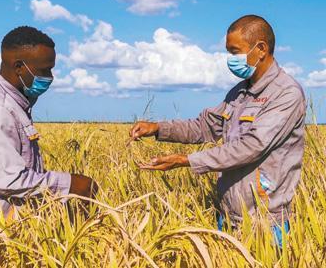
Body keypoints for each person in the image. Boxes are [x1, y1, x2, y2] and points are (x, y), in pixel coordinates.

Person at [129, 15, 306, 247]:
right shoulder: (239, 93)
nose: (230, 60)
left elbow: (251, 147)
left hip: (266, 224)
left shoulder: (286, 94)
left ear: (260, 49)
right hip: (228, 218)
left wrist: (186, 161)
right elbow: (204, 127)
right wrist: (158, 128)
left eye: (235, 52)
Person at [0, 26, 98, 228]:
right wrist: (71, 184)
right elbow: (8, 180)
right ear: (19, 67)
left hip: (10, 228)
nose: (50, 77)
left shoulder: (11, 100)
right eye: (44, 70)